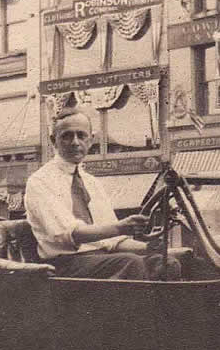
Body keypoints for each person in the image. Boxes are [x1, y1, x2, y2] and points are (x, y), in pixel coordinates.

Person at [24, 107, 179, 280]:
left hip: (99, 259)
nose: (75, 142)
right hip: (64, 265)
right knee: (131, 263)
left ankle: (161, 308)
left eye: (81, 136)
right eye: (67, 136)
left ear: (90, 141)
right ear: (54, 141)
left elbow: (113, 242)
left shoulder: (91, 182)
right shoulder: (40, 181)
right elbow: (69, 235)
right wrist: (119, 227)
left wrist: (151, 247)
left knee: (166, 262)